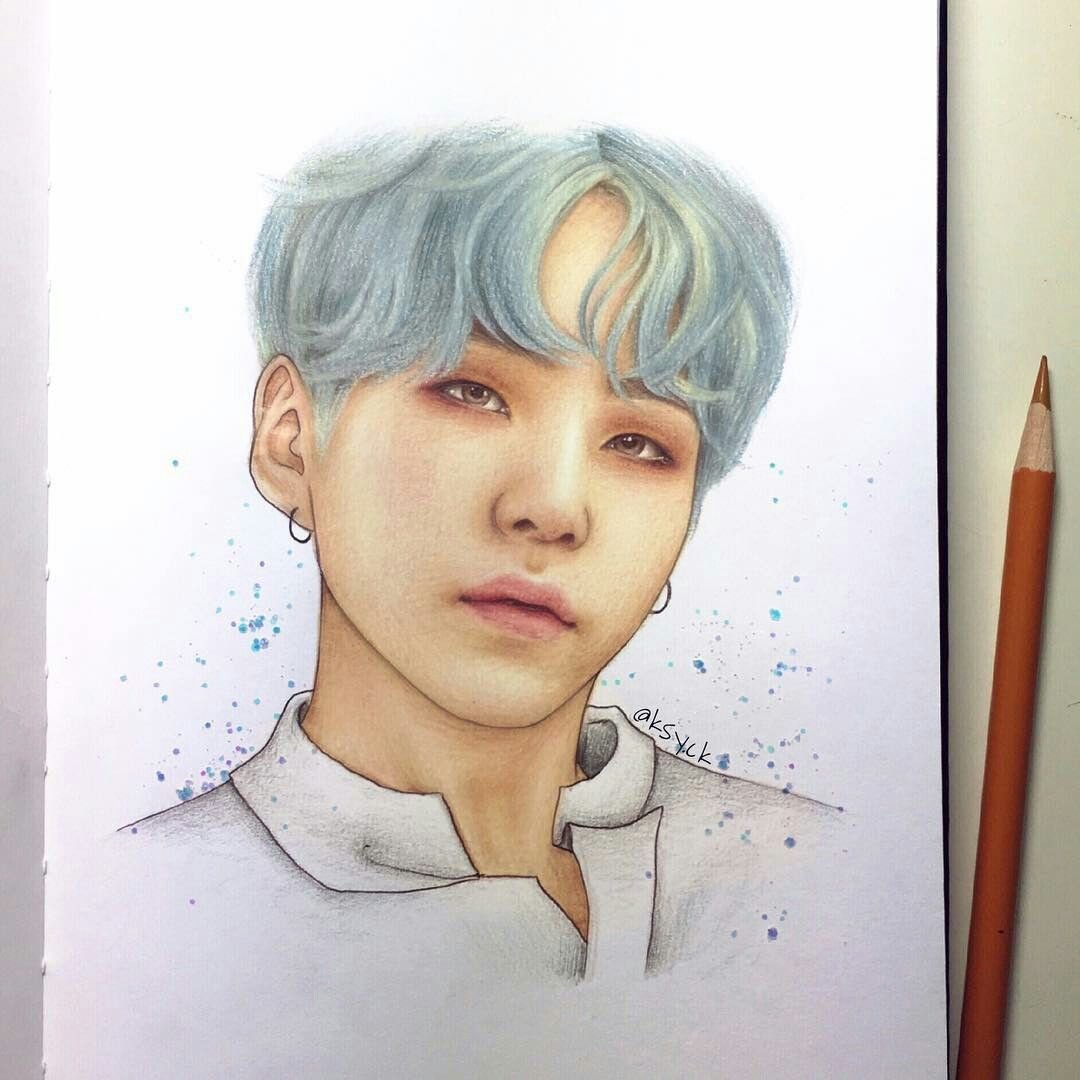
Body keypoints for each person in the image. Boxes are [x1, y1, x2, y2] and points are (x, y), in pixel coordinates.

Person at [101, 122, 850, 1076]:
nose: (553, 508)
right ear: (291, 438)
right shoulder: (144, 909)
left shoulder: (819, 871)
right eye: (471, 392)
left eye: (639, 444)